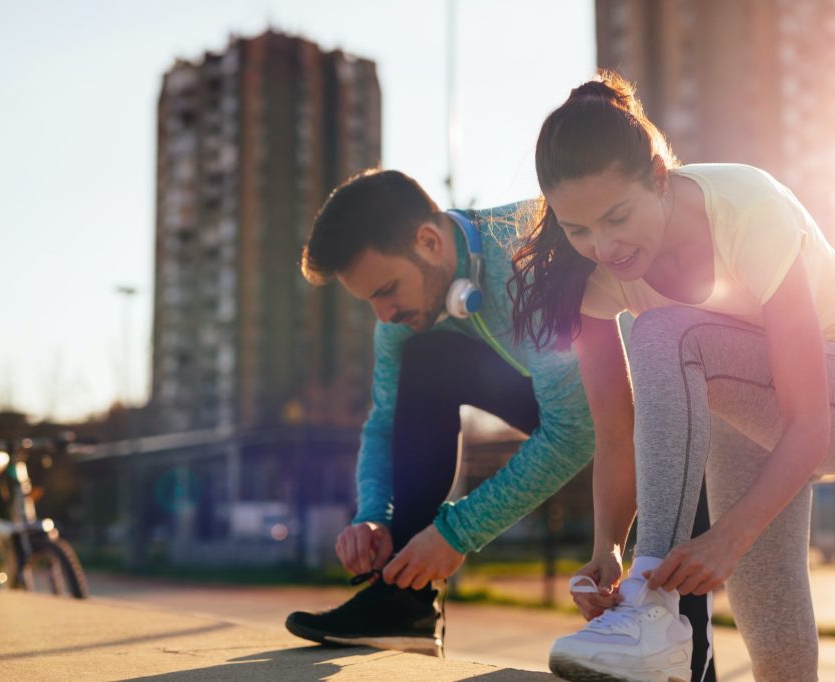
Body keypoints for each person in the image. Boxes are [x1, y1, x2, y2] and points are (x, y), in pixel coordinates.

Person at [509, 72, 835, 682]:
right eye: (577, 228)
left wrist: (724, 539)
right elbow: (617, 435)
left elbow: (808, 426)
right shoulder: (587, 278)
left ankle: (653, 613)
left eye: (616, 217)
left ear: (660, 179)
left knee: (666, 331)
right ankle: (651, 599)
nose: (604, 247)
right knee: (767, 608)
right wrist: (606, 548)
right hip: (742, 407)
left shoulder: (748, 207)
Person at [284, 169, 718, 681]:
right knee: (424, 361)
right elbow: (383, 421)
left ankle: (690, 659)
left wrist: (457, 533)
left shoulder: (525, 258)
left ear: (428, 241)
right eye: (370, 302)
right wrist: (375, 514)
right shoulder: (402, 318)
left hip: (656, 422)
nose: (383, 314)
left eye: (387, 290)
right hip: (562, 407)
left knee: (678, 655)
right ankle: (402, 601)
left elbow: (576, 431)